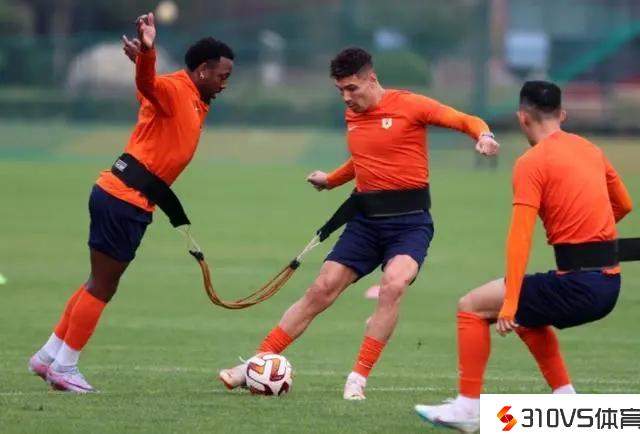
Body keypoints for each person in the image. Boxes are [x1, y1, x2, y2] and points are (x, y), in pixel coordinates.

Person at [219, 47, 500, 400]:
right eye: (340, 90)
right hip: (365, 224)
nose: (346, 97)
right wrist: (331, 180)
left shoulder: (410, 105)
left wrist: (484, 135)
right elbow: (363, 158)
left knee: (393, 285)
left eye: (352, 88)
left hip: (410, 225)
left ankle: (358, 378)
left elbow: (462, 119)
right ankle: (255, 364)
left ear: (372, 79)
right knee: (320, 290)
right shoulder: (352, 114)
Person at [28, 12, 234, 393]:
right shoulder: (176, 90)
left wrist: (142, 59)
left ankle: (48, 356)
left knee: (97, 281)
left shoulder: (193, 99)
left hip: (117, 195)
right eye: (222, 76)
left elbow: (148, 87)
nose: (225, 84)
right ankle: (65, 366)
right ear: (203, 71)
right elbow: (149, 84)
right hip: (124, 200)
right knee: (102, 286)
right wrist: (149, 53)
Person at [415, 81, 633, 432]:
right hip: (609, 284)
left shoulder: (531, 163)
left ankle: (467, 408)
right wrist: (587, 234)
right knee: (530, 315)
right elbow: (623, 205)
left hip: (580, 285)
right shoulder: (590, 149)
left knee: (471, 306)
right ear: (562, 115)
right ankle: (566, 398)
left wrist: (510, 302)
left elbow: (520, 237)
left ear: (522, 118)